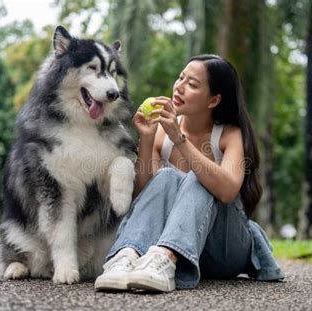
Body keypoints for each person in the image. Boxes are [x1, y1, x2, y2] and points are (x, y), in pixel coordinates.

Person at [95, 54, 284, 292]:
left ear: (213, 100)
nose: (180, 87)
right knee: (165, 177)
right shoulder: (161, 132)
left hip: (223, 250)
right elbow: (141, 195)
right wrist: (146, 138)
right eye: (181, 78)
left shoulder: (229, 134)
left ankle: (166, 258)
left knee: (199, 176)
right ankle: (126, 256)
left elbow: (227, 191)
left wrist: (179, 139)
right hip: (171, 246)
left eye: (192, 84)